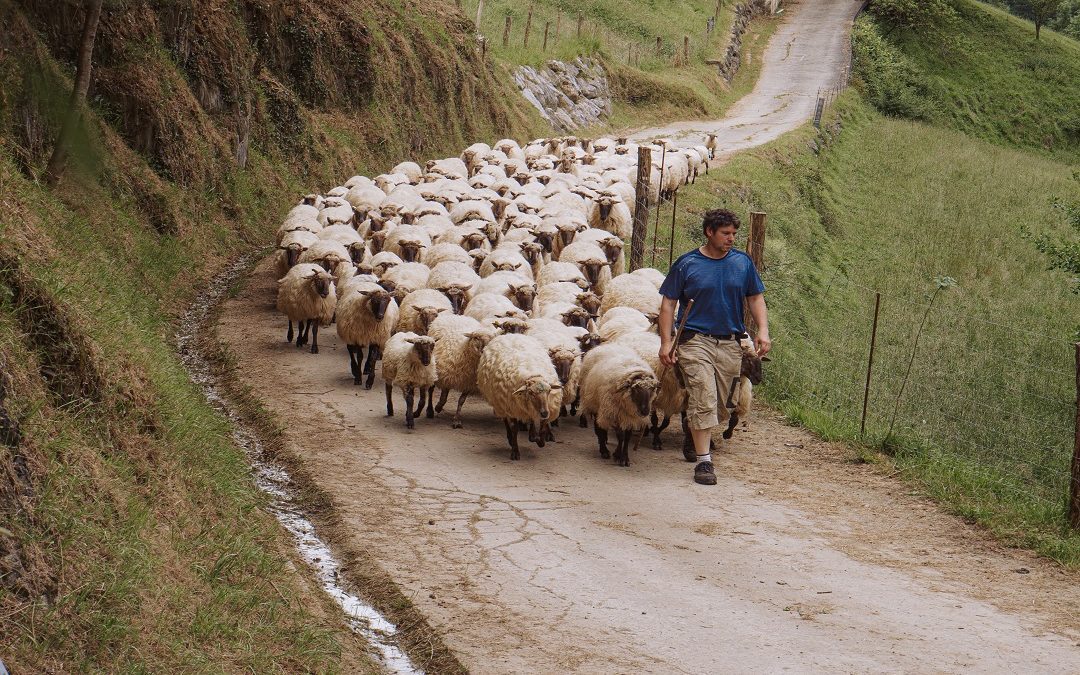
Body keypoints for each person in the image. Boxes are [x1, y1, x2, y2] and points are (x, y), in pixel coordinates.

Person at [658, 208, 770, 485]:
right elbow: (669, 304)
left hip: (730, 342)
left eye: (734, 234)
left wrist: (763, 331)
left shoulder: (742, 263)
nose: (731, 238)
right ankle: (704, 462)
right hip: (695, 341)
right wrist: (666, 341)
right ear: (710, 232)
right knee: (703, 396)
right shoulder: (687, 264)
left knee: (723, 404)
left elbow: (755, 298)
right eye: (725, 233)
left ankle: (694, 430)